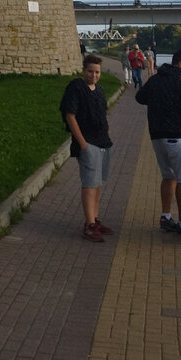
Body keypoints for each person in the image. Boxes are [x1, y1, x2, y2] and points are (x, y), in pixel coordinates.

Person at [135, 48, 181, 235]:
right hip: (177, 137)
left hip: (157, 136)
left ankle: (166, 216)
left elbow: (140, 97)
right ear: (180, 64)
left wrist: (158, 102)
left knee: (168, 176)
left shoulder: (155, 79)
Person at [60, 53, 114, 242]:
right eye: (90, 71)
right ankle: (89, 224)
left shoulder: (98, 90)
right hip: (88, 143)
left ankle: (95, 219)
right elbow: (70, 115)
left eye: (97, 72)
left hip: (103, 142)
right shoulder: (76, 88)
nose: (94, 75)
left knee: (97, 183)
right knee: (90, 184)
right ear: (84, 71)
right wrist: (82, 143)